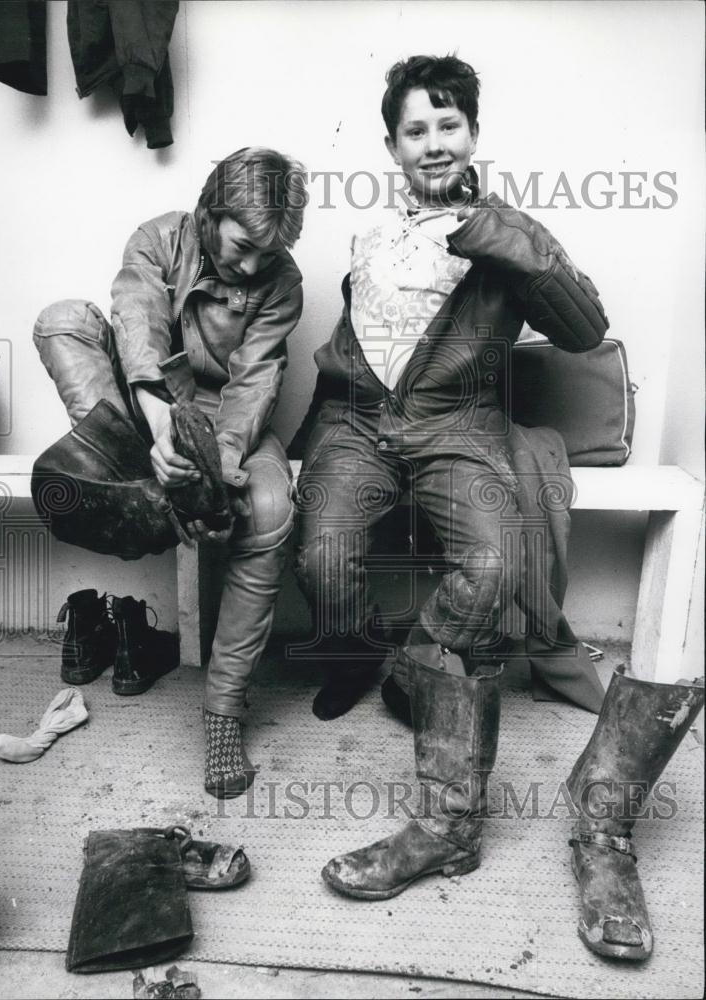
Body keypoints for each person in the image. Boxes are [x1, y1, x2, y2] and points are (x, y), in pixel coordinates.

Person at [293, 54, 704, 961]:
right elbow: (354, 343)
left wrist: (516, 242)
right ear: (391, 146)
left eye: (448, 126)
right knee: (318, 554)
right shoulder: (369, 236)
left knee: (491, 569)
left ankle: (445, 815)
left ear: (471, 134)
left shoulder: (506, 229)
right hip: (363, 423)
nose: (432, 142)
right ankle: (389, 658)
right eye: (415, 130)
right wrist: (318, 434)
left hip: (460, 423)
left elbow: (586, 329)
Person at [34, 146, 307, 799]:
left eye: (263, 256)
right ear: (211, 210)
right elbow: (138, 323)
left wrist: (221, 461)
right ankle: (139, 479)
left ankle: (222, 711)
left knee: (271, 511)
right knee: (62, 321)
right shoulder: (158, 238)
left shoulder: (282, 281)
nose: (249, 266)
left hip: (219, 426)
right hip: (141, 406)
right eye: (242, 246)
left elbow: (256, 382)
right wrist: (161, 428)